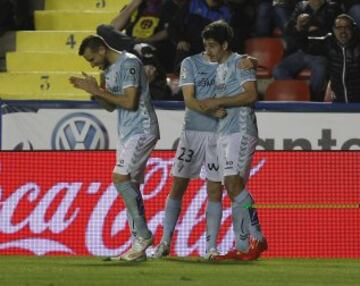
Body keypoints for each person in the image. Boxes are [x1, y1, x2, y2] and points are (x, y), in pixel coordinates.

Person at [69, 34, 160, 261]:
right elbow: (111, 106)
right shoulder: (108, 71)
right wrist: (91, 89)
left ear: (101, 49)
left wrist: (98, 91)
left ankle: (144, 234)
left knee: (120, 178)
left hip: (142, 128)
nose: (92, 64)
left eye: (92, 58)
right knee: (131, 186)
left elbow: (129, 102)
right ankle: (137, 248)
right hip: (126, 133)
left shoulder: (129, 63)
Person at [198, 20, 267, 260]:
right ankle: (244, 247)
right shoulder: (217, 66)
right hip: (224, 132)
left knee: (232, 183)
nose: (208, 51)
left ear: (225, 45)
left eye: (213, 46)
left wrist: (219, 102)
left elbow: (251, 95)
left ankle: (257, 237)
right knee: (234, 188)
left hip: (240, 130)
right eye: (206, 46)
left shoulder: (240, 63)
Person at [272, 0, 341, 101]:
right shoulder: (301, 6)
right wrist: (299, 27)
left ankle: (314, 103)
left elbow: (327, 25)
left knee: (318, 78)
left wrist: (305, 25)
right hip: (302, 52)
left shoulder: (332, 7)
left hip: (321, 54)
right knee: (278, 71)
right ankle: (299, 93)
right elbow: (289, 29)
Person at [323, 13, 360, 102]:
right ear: (333, 30)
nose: (343, 31)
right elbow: (303, 44)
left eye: (347, 27)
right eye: (339, 27)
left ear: (353, 29)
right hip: (338, 104)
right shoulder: (328, 45)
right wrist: (299, 28)